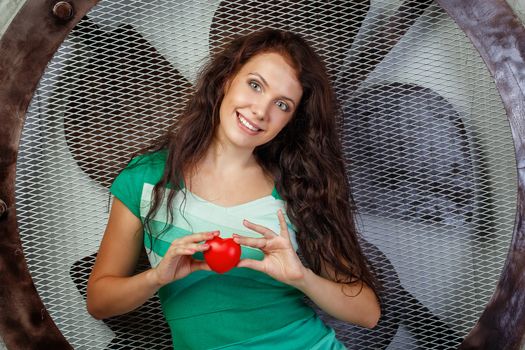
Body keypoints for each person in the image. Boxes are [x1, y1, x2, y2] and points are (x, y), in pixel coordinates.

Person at [86, 28, 381, 349]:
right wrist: (156, 278)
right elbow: (100, 301)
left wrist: (302, 277)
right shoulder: (145, 178)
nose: (260, 111)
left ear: (291, 121)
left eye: (282, 105)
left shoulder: (299, 189)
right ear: (227, 79)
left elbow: (366, 313)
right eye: (255, 85)